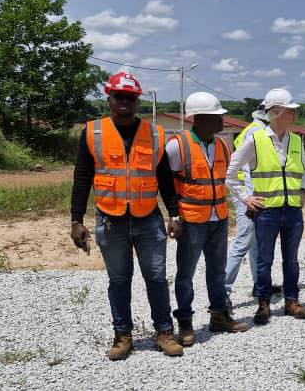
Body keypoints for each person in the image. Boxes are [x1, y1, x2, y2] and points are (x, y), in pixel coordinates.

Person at [69, 72, 183, 360]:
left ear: (137, 101)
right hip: (110, 218)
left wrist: (174, 213)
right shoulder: (93, 132)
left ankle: (164, 332)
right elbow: (82, 177)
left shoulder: (154, 134)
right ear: (108, 99)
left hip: (148, 218)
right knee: (119, 280)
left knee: (156, 277)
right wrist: (76, 219)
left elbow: (165, 178)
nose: (124, 102)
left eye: (130, 98)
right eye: (119, 96)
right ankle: (122, 335)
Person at [166, 92, 247, 346]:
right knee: (185, 274)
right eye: (216, 117)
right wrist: (173, 216)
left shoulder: (222, 145)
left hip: (218, 218)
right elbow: (167, 184)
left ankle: (219, 315)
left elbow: (228, 179)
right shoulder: (177, 146)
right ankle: (186, 323)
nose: (222, 121)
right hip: (191, 221)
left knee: (217, 271)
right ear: (199, 119)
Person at [226, 88, 305, 324]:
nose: (295, 115)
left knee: (291, 259)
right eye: (290, 111)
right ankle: (263, 304)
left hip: (292, 210)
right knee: (264, 260)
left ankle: (291, 301)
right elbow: (231, 174)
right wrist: (246, 198)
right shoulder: (255, 139)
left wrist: (303, 190)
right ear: (276, 112)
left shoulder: (295, 140)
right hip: (266, 211)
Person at [223, 102, 282, 305]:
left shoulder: (253, 129)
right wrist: (247, 199)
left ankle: (260, 285)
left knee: (255, 244)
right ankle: (223, 292)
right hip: (248, 196)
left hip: (250, 194)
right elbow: (246, 171)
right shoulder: (257, 133)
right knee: (243, 242)